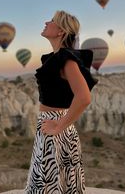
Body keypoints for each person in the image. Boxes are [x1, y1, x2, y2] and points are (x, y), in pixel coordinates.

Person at [25, 10, 98, 193]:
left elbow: (84, 97)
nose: (46, 22)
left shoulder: (66, 60)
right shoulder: (56, 58)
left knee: (47, 184)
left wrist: (59, 126)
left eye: (51, 21)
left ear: (61, 31)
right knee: (56, 184)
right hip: (55, 124)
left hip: (55, 126)